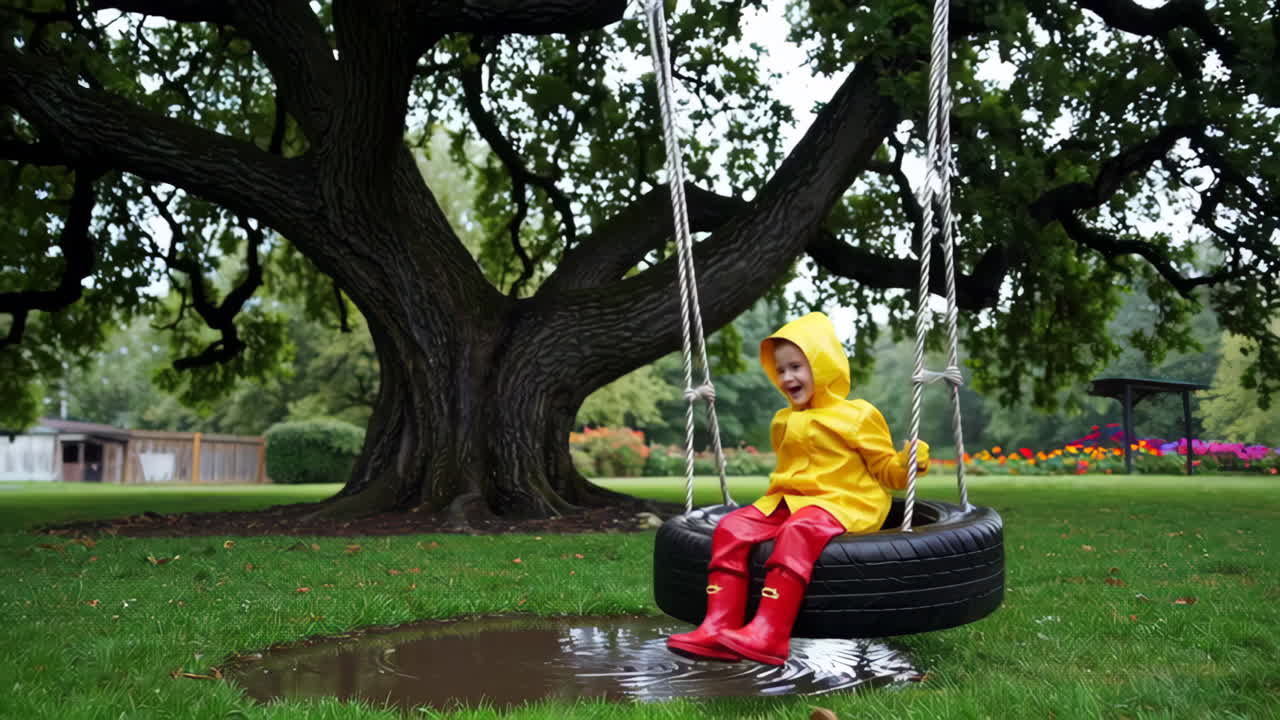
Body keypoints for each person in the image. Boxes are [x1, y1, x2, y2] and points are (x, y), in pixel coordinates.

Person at [666, 311, 931, 665]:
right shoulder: (783, 420)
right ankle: (719, 625)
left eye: (796, 367)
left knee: (799, 529)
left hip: (846, 501)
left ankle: (770, 633)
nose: (787, 376)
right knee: (731, 527)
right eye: (781, 370)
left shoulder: (857, 416)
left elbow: (887, 472)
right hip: (789, 500)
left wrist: (908, 462)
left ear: (822, 366)